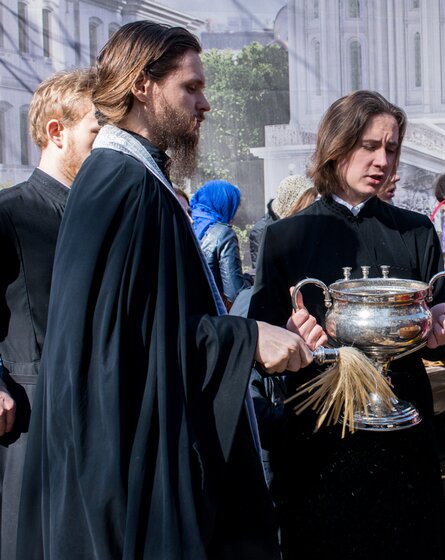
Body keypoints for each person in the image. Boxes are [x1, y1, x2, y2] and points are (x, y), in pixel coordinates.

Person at [17, 21, 322, 559]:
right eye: (191, 87)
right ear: (143, 85)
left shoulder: (132, 177)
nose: (205, 104)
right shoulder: (124, 184)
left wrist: (252, 335)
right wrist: (245, 339)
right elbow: (116, 350)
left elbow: (152, 321)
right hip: (126, 477)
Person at [248, 90, 445, 560]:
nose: (382, 161)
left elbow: (435, 332)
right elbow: (260, 343)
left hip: (403, 428)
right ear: (336, 145)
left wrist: (443, 332)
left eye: (391, 148)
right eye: (369, 146)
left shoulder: (415, 231)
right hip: (321, 432)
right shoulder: (286, 237)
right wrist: (288, 337)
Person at [0, 68, 98, 560]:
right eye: (98, 133)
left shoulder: (108, 217)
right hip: (31, 427)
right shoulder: (9, 212)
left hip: (102, 428)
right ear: (57, 132)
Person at [191, 179, 248, 308]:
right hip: (211, 311)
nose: (235, 215)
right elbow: (234, 293)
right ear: (225, 204)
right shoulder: (223, 234)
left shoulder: (187, 224)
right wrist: (250, 280)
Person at [249, 174, 316, 270]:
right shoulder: (263, 230)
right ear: (293, 203)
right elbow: (262, 272)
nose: (312, 209)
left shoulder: (301, 224)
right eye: (308, 204)